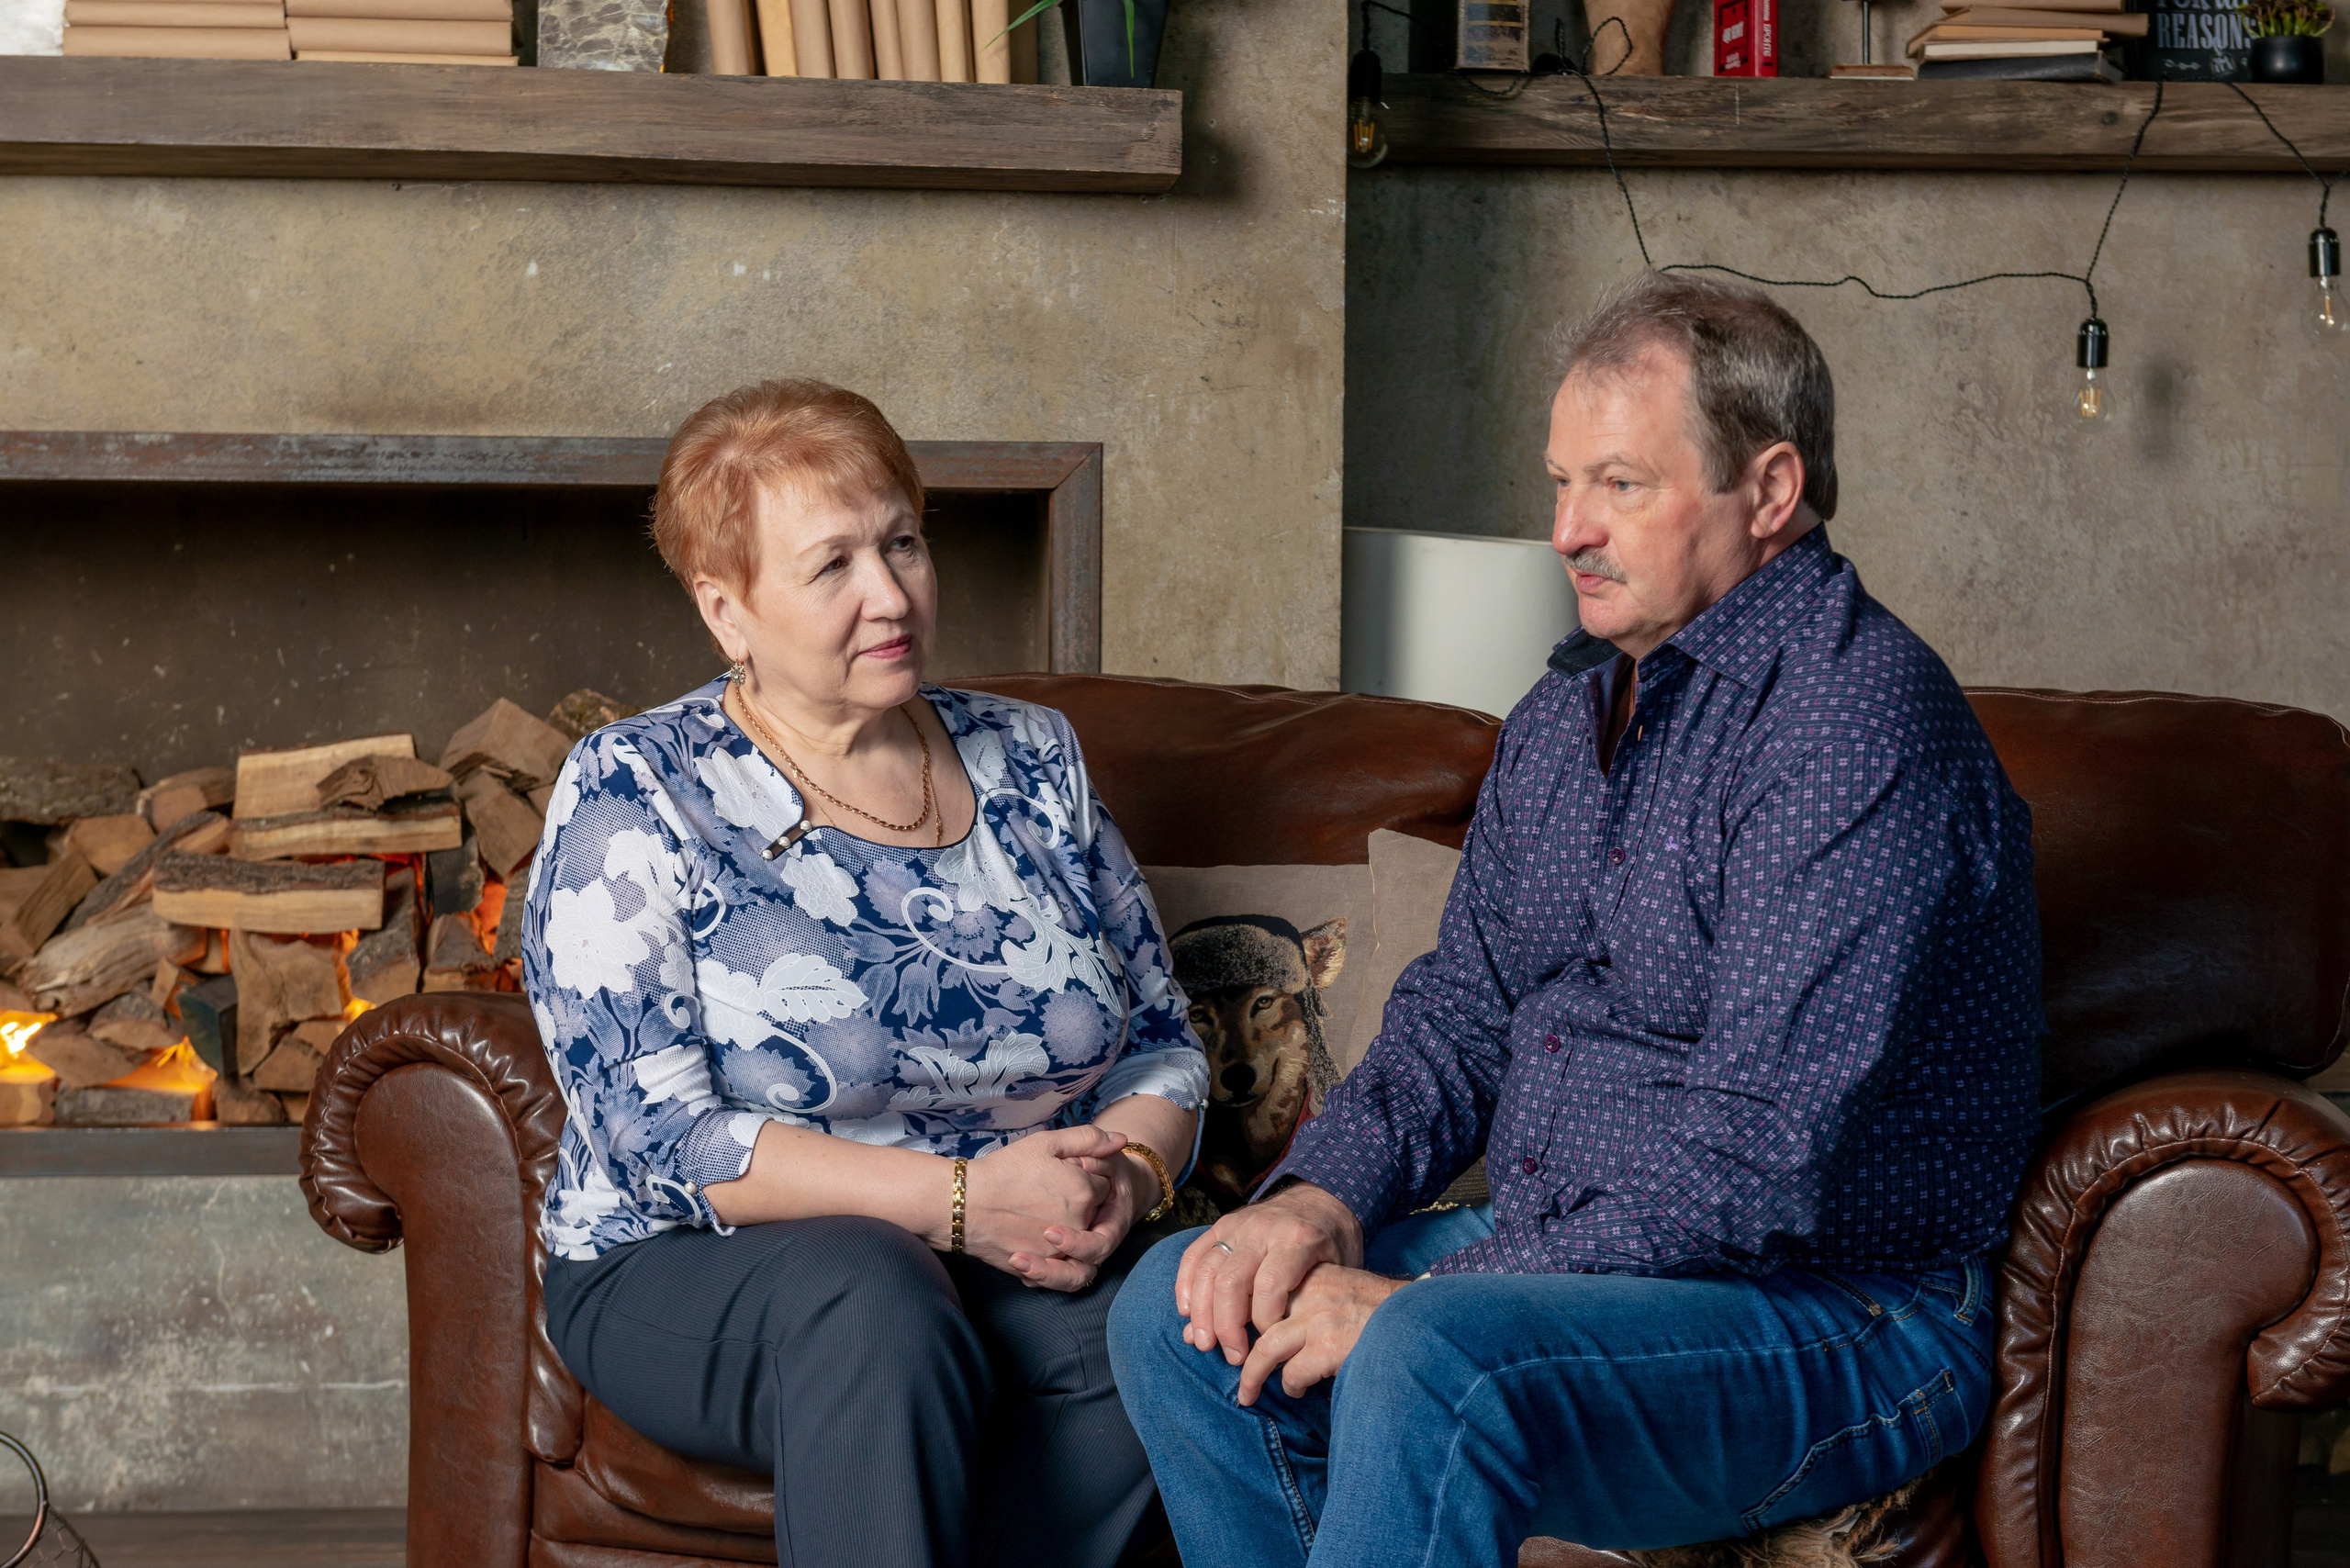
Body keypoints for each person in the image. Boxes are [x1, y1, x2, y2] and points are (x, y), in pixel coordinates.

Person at [1106, 272, 2044, 1566]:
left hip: (1840, 1314)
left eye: (1620, 484)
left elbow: (1760, 1156)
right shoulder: (1571, 716)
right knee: (1181, 1305)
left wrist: (1430, 1293)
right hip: (1569, 1256)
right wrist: (1316, 1202)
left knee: (1436, 1357)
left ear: (1769, 494)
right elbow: (1463, 1015)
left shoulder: (1855, 726)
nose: (1567, 529)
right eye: (1560, 483)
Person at [522, 378, 1207, 1568]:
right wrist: (958, 1205)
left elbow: (1160, 1038)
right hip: (694, 1265)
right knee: (874, 1302)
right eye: (832, 565)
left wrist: (1123, 1185)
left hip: (1003, 1245)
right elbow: (659, 1138)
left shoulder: (1033, 759)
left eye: (903, 544)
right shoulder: (637, 785)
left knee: (1176, 1316)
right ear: (728, 610)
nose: (890, 595)